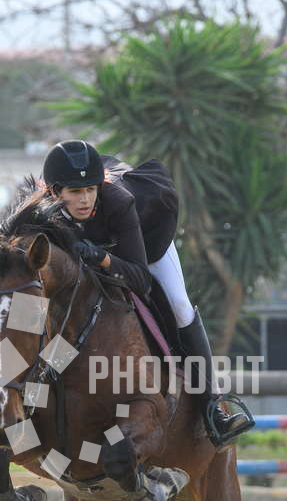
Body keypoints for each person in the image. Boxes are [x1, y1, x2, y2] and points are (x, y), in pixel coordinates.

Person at [41, 139, 254, 448]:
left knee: (179, 305)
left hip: (147, 244)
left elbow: (140, 280)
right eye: (75, 192)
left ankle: (213, 405)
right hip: (95, 257)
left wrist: (102, 258)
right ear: (54, 192)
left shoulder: (119, 202)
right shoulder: (43, 213)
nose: (85, 199)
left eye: (90, 189)